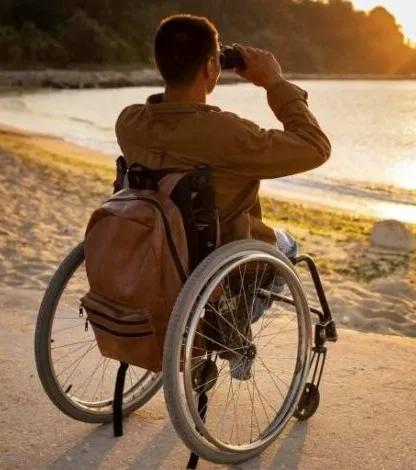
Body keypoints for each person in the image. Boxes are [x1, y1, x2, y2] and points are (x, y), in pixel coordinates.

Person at [115, 14, 331, 379]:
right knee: (289, 248)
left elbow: (173, 124)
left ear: (158, 63)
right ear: (213, 66)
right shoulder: (226, 134)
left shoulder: (130, 122)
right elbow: (315, 147)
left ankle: (220, 328)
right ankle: (233, 330)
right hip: (214, 261)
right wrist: (274, 83)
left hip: (150, 256)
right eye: (214, 60)